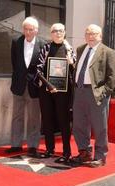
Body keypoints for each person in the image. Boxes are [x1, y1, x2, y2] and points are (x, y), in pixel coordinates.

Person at [72, 24, 115, 167]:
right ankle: (84, 152)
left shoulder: (108, 52)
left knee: (100, 126)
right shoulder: (80, 49)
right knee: (79, 124)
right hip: (79, 91)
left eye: (94, 33)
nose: (90, 36)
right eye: (88, 33)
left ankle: (100, 156)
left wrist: (103, 93)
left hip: (96, 93)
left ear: (100, 35)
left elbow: (113, 77)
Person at [5, 16, 45, 157]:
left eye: (31, 29)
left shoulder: (42, 44)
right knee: (17, 116)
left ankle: (33, 146)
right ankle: (16, 145)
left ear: (36, 30)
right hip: (18, 85)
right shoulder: (16, 41)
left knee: (34, 118)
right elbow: (14, 63)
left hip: (34, 87)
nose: (28, 32)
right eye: (25, 29)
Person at [35, 23, 76, 163]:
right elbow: (38, 71)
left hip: (63, 92)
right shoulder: (45, 48)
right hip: (46, 90)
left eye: (61, 31)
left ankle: (66, 152)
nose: (58, 33)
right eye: (55, 31)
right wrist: (49, 85)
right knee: (47, 120)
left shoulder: (69, 49)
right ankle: (49, 149)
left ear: (64, 32)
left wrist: (71, 63)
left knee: (64, 121)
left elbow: (75, 71)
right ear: (51, 33)